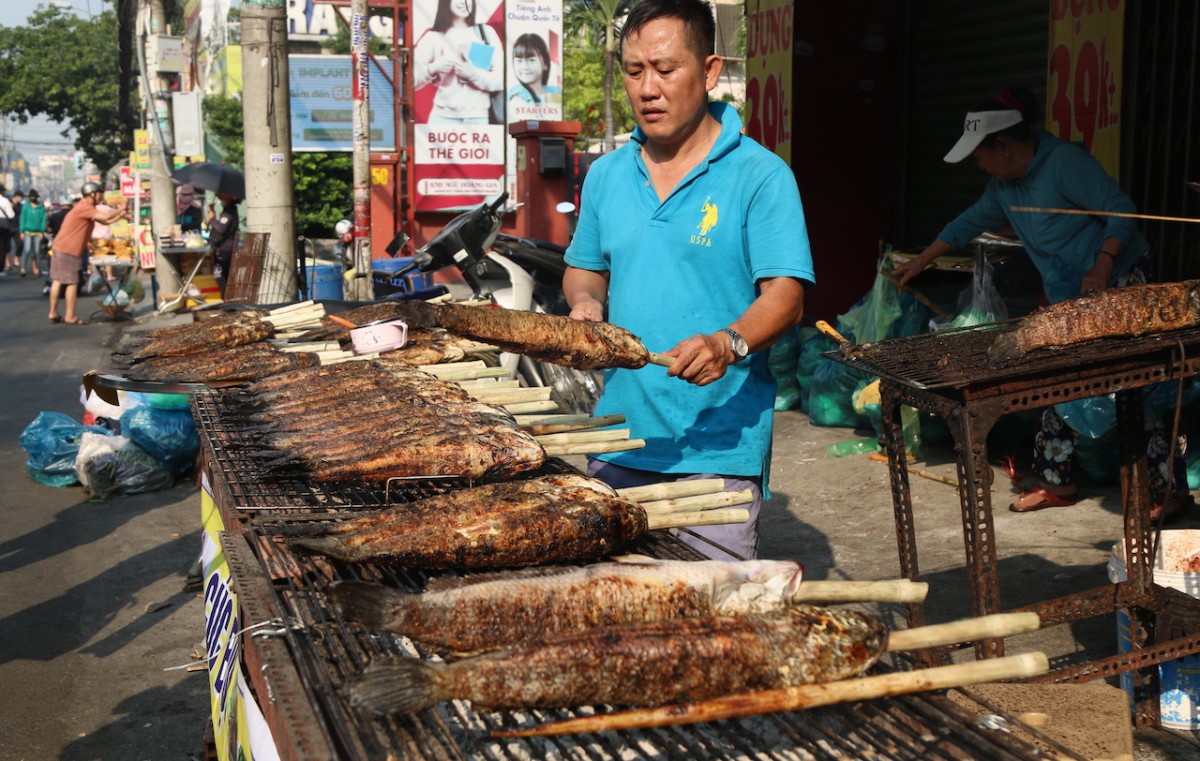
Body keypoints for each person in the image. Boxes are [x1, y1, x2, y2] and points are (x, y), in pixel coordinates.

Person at [562, 0, 815, 560]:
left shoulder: (761, 176)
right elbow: (585, 267)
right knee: (614, 619)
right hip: (617, 440)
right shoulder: (605, 175)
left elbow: (786, 296)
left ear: (709, 70)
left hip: (717, 451)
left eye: (665, 69)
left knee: (708, 622)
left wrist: (730, 342)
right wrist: (585, 304)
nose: (647, 88)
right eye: (634, 72)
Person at [893, 86, 1189, 519]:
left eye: (981, 154)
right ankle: (1057, 480)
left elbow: (1121, 211)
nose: (978, 163)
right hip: (1070, 291)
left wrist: (1103, 266)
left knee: (1137, 386)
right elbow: (965, 223)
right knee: (1055, 376)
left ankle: (1169, 489)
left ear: (1005, 147)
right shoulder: (1002, 187)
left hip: (1120, 279)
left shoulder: (1066, 164)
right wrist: (920, 262)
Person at [48, 182, 129, 324]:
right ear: (92, 193)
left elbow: (104, 221)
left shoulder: (85, 207)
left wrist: (119, 215)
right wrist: (121, 208)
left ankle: (53, 312)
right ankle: (70, 316)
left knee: (57, 280)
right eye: (99, 193)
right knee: (72, 282)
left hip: (60, 246)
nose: (101, 196)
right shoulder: (85, 206)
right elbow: (104, 217)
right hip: (69, 249)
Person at [413, 0, 504, 124]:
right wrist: (432, 68)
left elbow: (502, 80)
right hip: (442, 118)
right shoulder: (434, 37)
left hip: (478, 117)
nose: (464, 3)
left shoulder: (486, 34)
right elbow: (410, 81)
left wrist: (474, 75)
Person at [506, 33, 562, 120]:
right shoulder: (517, 94)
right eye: (519, 61)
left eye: (531, 60)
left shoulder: (555, 92)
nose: (524, 67)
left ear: (545, 63)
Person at [207, 192, 242, 295]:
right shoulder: (227, 212)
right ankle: (228, 300)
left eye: (223, 199)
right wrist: (212, 211)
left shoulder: (229, 213)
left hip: (226, 249)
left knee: (219, 274)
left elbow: (221, 228)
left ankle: (227, 299)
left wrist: (212, 219)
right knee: (225, 274)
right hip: (225, 248)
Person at [18, 188, 47, 277]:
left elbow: (43, 220)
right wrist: (21, 231)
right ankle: (23, 268)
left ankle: (37, 268)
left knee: (37, 251)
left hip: (37, 232)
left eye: (34, 196)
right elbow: (22, 219)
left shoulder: (41, 208)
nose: (33, 198)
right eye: (31, 196)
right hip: (27, 231)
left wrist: (42, 231)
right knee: (26, 249)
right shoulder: (26, 207)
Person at [0, 185, 15, 274]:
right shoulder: (5, 201)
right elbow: (11, 215)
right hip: (2, 226)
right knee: (2, 248)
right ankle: (0, 268)